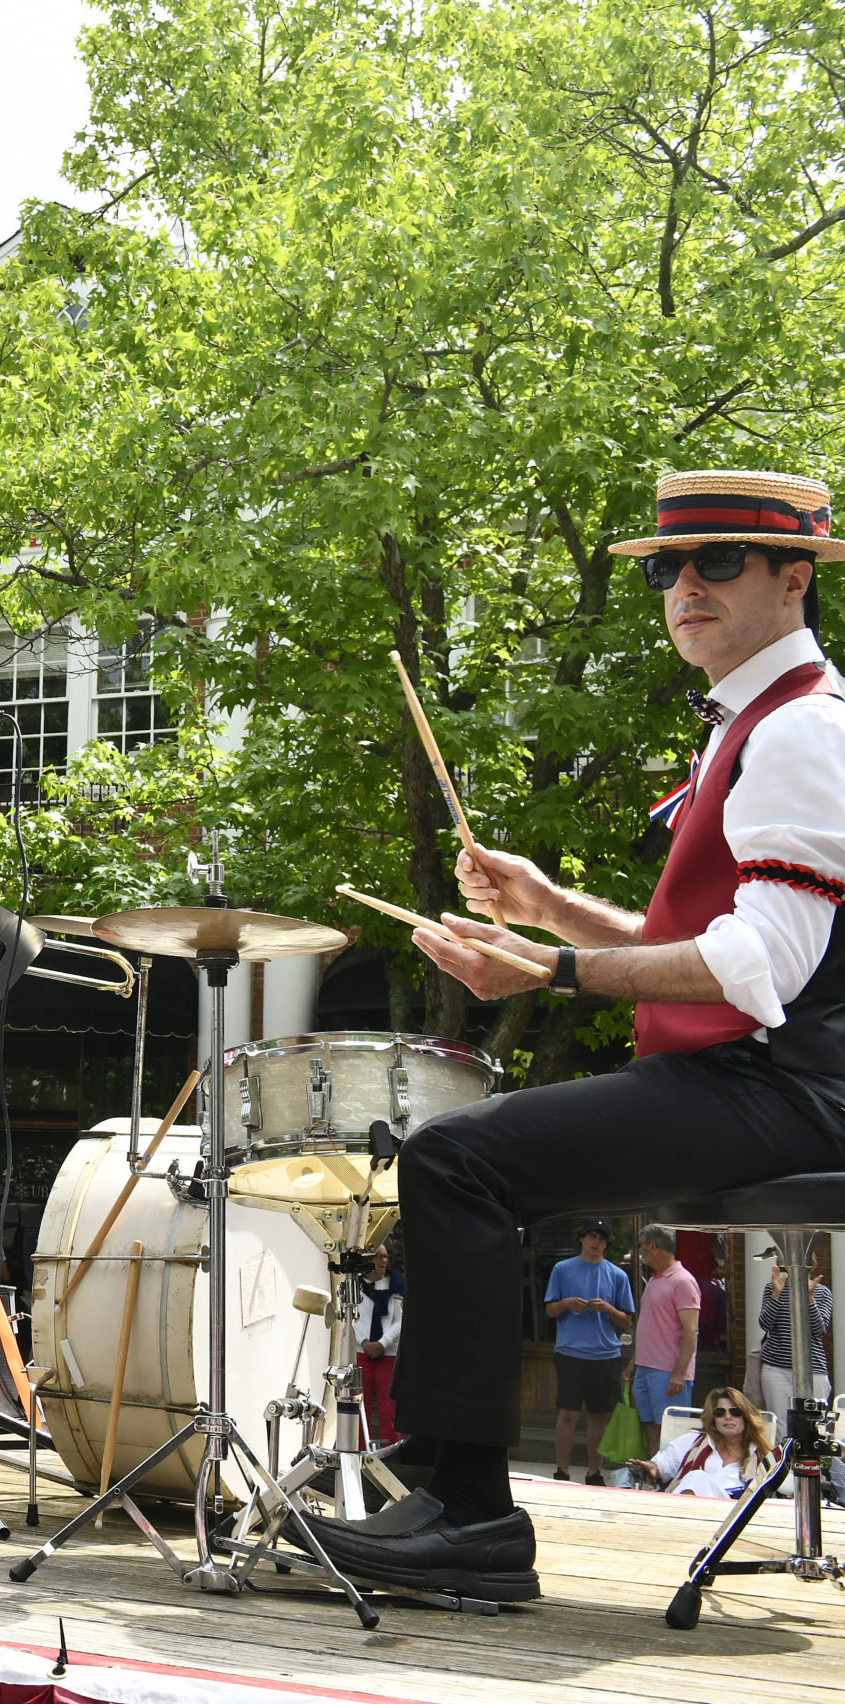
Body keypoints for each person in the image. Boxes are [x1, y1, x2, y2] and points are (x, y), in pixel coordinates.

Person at [299, 467, 845, 1602]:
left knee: (458, 1157)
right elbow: (689, 935)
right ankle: (447, 1475)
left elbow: (760, 966)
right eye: (664, 567)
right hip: (749, 1070)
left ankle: (472, 1516)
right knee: (465, 1159)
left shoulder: (800, 733)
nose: (681, 585)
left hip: (785, 1085)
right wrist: (547, 909)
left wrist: (547, 968)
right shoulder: (751, 724)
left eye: (716, 563)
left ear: (794, 579)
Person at [545, 1219, 635, 1482]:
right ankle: (562, 1470)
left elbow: (626, 1320)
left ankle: (594, 1472)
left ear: (607, 1243)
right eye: (591, 1236)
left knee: (599, 1415)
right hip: (570, 1351)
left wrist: (608, 1309)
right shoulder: (562, 1269)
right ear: (581, 1238)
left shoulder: (617, 1275)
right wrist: (566, 1303)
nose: (596, 1242)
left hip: (605, 1354)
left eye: (602, 1238)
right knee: (568, 1412)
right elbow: (550, 1310)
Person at [628, 1386, 776, 1497]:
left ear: (746, 1417)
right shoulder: (694, 1442)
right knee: (696, 1478)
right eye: (720, 1412)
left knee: (696, 1477)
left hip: (735, 1515)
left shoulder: (761, 1454)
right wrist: (652, 1467)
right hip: (695, 1505)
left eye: (735, 1412)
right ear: (713, 1418)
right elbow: (662, 1464)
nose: (728, 1417)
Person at [632, 1226, 703, 1452]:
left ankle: (671, 1484)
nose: (639, 1251)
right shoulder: (654, 1279)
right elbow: (649, 1326)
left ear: (652, 1245)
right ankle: (654, 1479)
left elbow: (691, 1330)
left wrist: (680, 1373)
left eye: (640, 1245)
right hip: (645, 1367)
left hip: (668, 1372)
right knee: (650, 1426)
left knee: (673, 1434)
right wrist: (632, 1363)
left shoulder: (682, 1280)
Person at [757, 1250, 834, 1424]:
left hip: (813, 1369)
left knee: (813, 1425)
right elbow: (765, 1324)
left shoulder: (822, 1292)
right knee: (780, 1426)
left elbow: (819, 1330)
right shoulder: (772, 1287)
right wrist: (776, 1294)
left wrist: (810, 1299)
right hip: (776, 1368)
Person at [355, 1244, 405, 1448]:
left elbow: (401, 1321)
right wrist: (366, 1343)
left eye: (385, 1257)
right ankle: (358, 1451)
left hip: (388, 1353)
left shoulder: (396, 1284)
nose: (383, 1261)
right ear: (368, 1260)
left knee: (389, 1408)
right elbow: (351, 1318)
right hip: (361, 1352)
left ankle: (391, 1453)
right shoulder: (355, 1284)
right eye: (378, 1257)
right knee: (359, 1407)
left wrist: (381, 1344)